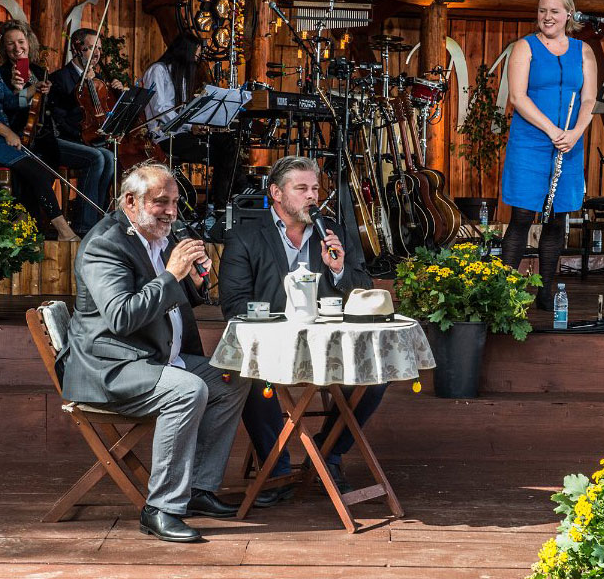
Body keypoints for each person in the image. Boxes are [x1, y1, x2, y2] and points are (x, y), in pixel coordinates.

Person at [58, 162, 251, 542]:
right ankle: (161, 508)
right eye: (161, 202)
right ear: (130, 201)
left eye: (175, 203)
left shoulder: (158, 236)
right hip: (112, 366)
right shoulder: (104, 245)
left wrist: (193, 279)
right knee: (187, 390)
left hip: (156, 356)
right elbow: (121, 316)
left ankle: (197, 488)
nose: (171, 212)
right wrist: (171, 274)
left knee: (233, 378)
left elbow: (173, 298)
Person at [218, 155, 378, 505]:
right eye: (302, 188)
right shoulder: (246, 236)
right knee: (249, 373)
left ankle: (327, 454)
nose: (312, 196)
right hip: (272, 345)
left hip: (327, 345)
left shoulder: (332, 232)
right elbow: (233, 303)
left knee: (376, 374)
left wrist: (338, 270)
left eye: (316, 189)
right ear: (276, 193)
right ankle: (275, 467)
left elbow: (362, 289)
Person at [499, 0, 597, 310]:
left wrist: (575, 133)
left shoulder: (584, 51)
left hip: (569, 144)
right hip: (531, 143)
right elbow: (518, 97)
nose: (547, 16)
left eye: (554, 11)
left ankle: (545, 293)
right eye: (542, 10)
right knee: (522, 217)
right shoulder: (524, 47)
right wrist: (553, 130)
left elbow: (589, 99)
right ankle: (503, 293)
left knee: (556, 220)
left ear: (569, 14)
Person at [0, 13, 78, 241]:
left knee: (36, 168)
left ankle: (25, 225)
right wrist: (8, 132)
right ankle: (63, 231)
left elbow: (9, 101)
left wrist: (33, 89)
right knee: (35, 169)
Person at [0, 20, 114, 236]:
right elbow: (9, 111)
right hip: (27, 139)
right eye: (10, 43)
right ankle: (84, 226)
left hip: (45, 136)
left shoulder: (38, 71)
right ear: (3, 47)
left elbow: (52, 107)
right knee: (96, 157)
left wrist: (51, 93)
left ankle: (96, 221)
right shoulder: (2, 74)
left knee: (107, 155)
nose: (17, 47)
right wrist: (18, 91)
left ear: (29, 42)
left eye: (21, 41)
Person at [142, 33, 241, 212]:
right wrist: (189, 126)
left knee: (228, 144)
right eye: (196, 54)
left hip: (181, 132)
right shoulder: (158, 70)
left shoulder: (179, 75)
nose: (197, 59)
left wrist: (200, 122)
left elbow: (182, 110)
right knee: (225, 156)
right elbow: (160, 110)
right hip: (164, 136)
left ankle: (223, 201)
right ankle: (220, 203)